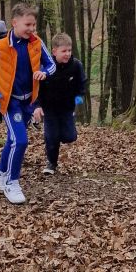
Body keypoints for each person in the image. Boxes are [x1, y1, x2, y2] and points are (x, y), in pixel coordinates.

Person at [0, 3, 55, 204]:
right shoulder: (2, 46)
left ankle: (1, 169)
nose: (31, 29)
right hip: (9, 101)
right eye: (27, 24)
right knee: (20, 141)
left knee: (13, 139)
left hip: (28, 101)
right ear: (15, 23)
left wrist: (44, 72)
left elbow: (51, 64)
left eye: (34, 25)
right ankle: (11, 183)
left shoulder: (37, 43)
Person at [36, 32, 87, 175]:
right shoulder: (46, 67)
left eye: (69, 50)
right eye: (64, 51)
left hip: (67, 108)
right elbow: (37, 89)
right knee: (52, 137)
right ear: (54, 52)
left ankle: (58, 135)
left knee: (70, 137)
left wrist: (79, 98)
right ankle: (51, 163)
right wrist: (37, 106)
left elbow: (82, 84)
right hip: (49, 108)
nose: (67, 54)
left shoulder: (76, 65)